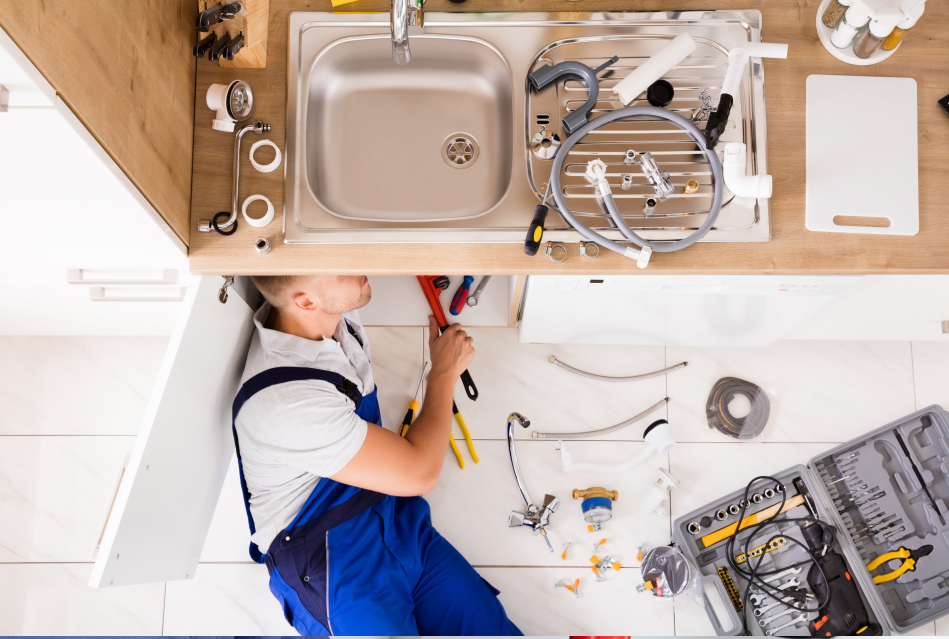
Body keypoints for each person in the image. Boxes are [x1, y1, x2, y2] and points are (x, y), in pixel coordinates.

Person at [231, 274, 521, 636]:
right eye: (342, 269)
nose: (360, 266)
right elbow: (420, 473)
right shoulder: (286, 403)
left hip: (396, 521)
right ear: (305, 302)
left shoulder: (331, 320)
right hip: (332, 565)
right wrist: (443, 373)